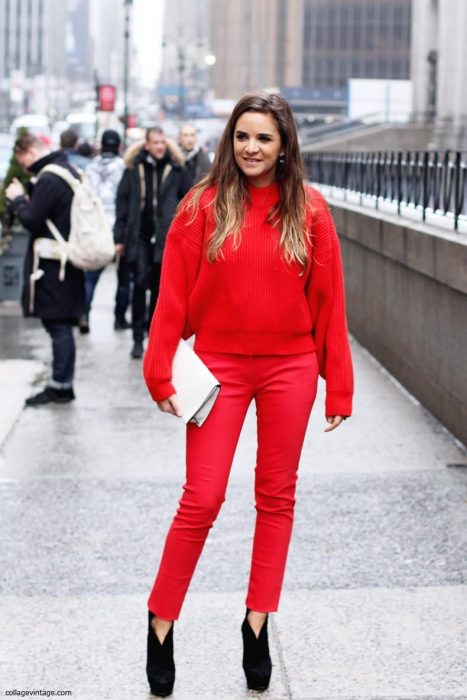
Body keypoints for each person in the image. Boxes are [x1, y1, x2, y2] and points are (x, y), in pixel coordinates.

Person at [142, 92, 354, 696]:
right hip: (218, 370)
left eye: (263, 138)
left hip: (290, 367)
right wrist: (159, 370)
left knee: (276, 498)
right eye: (242, 136)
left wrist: (336, 382)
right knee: (201, 499)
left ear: (284, 144)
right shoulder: (201, 206)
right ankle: (161, 619)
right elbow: (173, 295)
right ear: (228, 141)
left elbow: (329, 302)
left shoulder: (310, 211)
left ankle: (257, 621)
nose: (251, 148)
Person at [5, 133, 85, 406]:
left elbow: (32, 220)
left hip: (54, 264)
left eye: (22, 160)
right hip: (65, 260)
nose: (24, 166)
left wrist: (17, 199)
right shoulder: (67, 170)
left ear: (29, 152)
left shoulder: (50, 178)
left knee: (58, 324)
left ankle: (60, 387)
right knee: (61, 324)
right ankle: (63, 384)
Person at [114, 126, 191, 359]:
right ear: (146, 145)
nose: (159, 146)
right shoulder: (133, 169)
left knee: (160, 293)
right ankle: (137, 338)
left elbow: (189, 201)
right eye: (155, 142)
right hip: (138, 237)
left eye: (162, 142)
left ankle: (154, 337)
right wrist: (119, 237)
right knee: (138, 287)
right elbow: (122, 204)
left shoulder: (177, 169)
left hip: (167, 239)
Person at [79, 129, 125, 333]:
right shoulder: (124, 167)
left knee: (91, 275)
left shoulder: (91, 167)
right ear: (118, 145)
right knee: (123, 276)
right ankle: (119, 318)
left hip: (95, 227)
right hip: (118, 227)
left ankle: (84, 314)